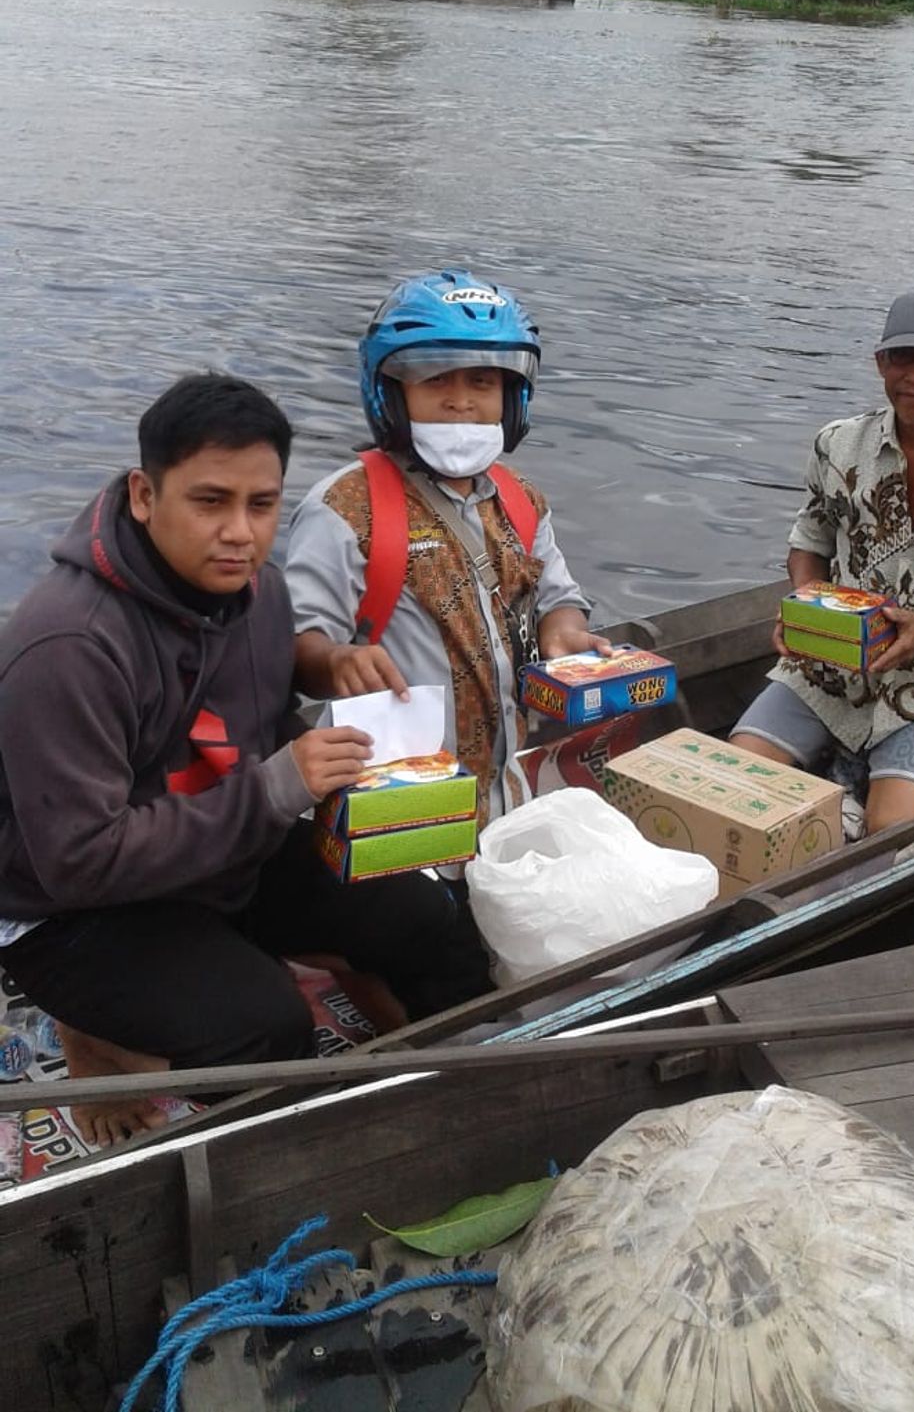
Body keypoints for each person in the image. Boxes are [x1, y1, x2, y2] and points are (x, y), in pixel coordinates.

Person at [0, 372, 491, 1146]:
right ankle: (94, 1034)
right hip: (72, 907)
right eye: (209, 500)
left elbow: (246, 704)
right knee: (266, 1027)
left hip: (222, 844)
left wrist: (326, 667)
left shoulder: (259, 594)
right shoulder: (68, 645)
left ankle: (460, 1088)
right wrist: (276, 786)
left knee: (430, 919)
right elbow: (76, 861)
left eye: (261, 505)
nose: (240, 531)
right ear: (142, 493)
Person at [285, 269, 609, 826]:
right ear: (390, 392)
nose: (461, 402)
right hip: (398, 790)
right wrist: (335, 661)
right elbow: (296, 644)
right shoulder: (341, 507)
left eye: (482, 383)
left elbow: (559, 596)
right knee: (418, 911)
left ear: (511, 397)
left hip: (507, 793)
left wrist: (564, 631)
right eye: (436, 381)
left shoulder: (522, 500)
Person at [731, 288, 914, 836]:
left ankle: (852, 792)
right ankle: (839, 783)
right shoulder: (838, 445)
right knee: (734, 790)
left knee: (888, 839)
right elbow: (810, 541)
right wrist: (803, 601)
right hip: (825, 670)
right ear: (881, 364)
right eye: (902, 358)